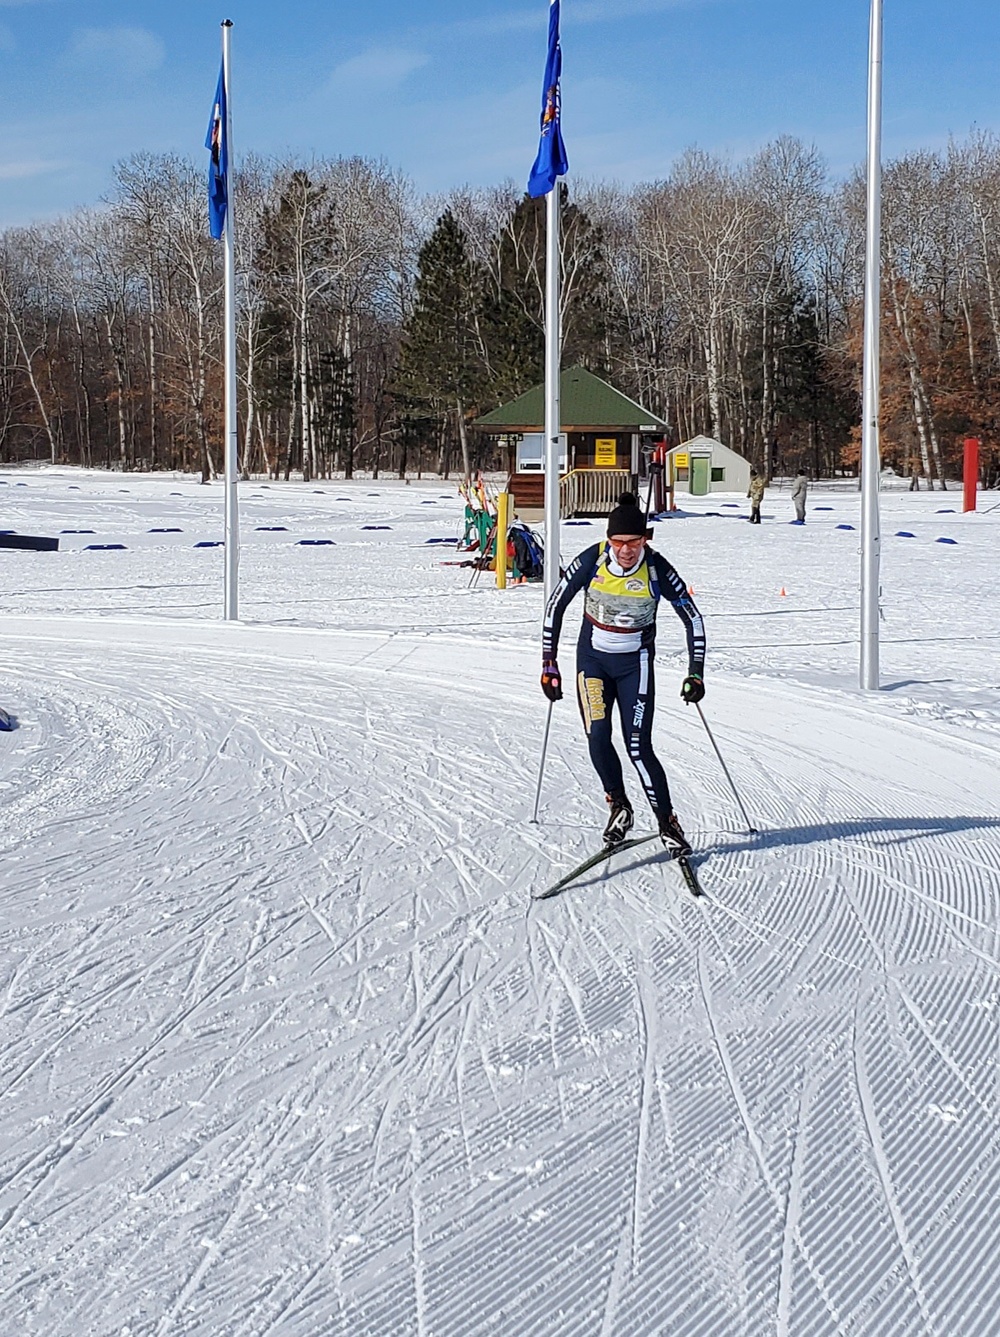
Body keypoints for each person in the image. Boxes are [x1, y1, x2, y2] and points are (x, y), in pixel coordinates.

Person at [540, 492, 706, 854]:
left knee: (637, 746)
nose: (625, 550)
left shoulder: (658, 569)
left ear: (645, 539)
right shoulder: (593, 560)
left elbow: (692, 617)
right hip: (593, 663)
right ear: (609, 539)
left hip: (636, 665)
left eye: (633, 542)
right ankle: (619, 806)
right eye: (618, 542)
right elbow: (555, 606)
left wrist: (696, 673)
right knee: (598, 733)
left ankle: (668, 823)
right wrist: (548, 663)